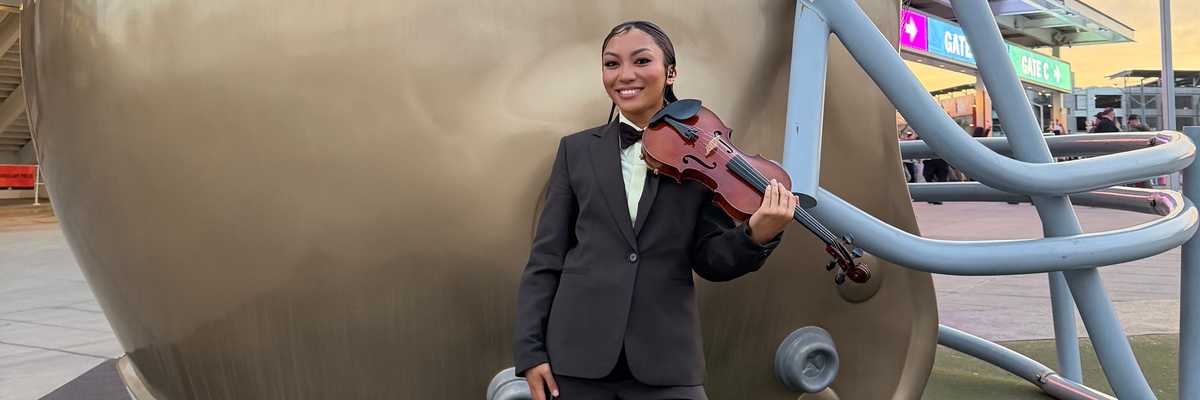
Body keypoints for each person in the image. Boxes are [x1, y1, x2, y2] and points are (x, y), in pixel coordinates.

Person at [514, 21, 793, 400]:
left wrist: (756, 234)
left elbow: (710, 259)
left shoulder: (704, 154)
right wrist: (530, 352)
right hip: (575, 359)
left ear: (671, 72)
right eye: (611, 64)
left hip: (666, 362)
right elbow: (546, 257)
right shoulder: (575, 151)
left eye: (641, 61)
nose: (624, 75)